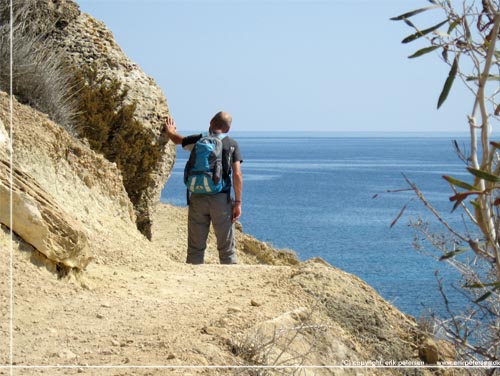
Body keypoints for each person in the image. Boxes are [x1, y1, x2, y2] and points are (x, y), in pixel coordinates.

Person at [164, 111, 243, 264]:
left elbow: (176, 139)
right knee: (226, 248)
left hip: (197, 195)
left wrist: (170, 130)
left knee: (195, 247)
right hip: (221, 198)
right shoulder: (231, 144)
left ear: (211, 122)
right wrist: (238, 202)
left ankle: (193, 280)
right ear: (227, 129)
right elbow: (237, 175)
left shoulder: (199, 139)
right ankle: (228, 279)